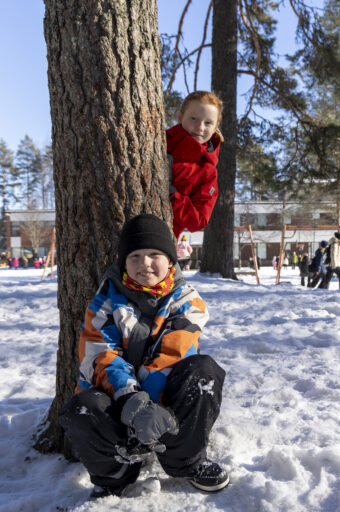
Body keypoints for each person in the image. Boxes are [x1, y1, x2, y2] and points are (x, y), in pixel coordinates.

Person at [59, 214, 229, 499]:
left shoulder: (189, 301)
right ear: (123, 263)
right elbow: (101, 355)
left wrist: (150, 409)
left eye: (154, 254)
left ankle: (185, 460)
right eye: (135, 256)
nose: (144, 264)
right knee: (82, 407)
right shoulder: (104, 302)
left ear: (171, 261)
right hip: (119, 401)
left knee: (204, 372)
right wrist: (133, 403)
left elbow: (173, 354)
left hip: (167, 408)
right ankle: (114, 476)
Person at [167, 91, 223, 239]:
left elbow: (199, 220)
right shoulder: (161, 140)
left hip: (161, 240)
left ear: (216, 126)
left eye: (208, 123)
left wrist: (172, 197)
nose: (200, 127)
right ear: (180, 117)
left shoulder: (207, 170)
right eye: (193, 119)